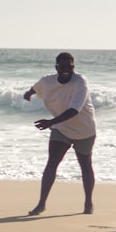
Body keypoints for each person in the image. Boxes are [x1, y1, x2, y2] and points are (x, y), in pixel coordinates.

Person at [23, 52, 97, 216]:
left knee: (85, 165)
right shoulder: (46, 81)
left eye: (69, 67)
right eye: (62, 67)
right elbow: (36, 88)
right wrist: (28, 93)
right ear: (56, 67)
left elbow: (74, 110)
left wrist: (50, 122)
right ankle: (41, 204)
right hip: (60, 128)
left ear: (73, 67)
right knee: (51, 164)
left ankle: (88, 203)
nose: (66, 70)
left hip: (84, 129)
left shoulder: (80, 82)